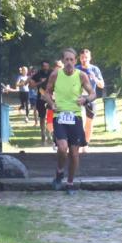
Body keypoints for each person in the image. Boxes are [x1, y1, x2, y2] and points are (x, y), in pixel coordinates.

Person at [44, 48, 96, 193]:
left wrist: (85, 99)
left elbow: (93, 94)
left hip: (75, 116)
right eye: (66, 59)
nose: (68, 62)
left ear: (75, 61)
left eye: (71, 59)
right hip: (59, 115)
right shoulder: (55, 74)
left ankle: (70, 183)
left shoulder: (81, 76)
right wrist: (51, 103)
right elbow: (47, 93)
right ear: (63, 61)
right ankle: (60, 171)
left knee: (74, 153)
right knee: (62, 148)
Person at [77, 48, 105, 149]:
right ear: (79, 58)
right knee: (80, 122)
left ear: (90, 58)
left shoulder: (95, 69)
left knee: (89, 123)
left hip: (91, 99)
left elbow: (102, 85)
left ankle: (86, 144)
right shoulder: (76, 69)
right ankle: (79, 144)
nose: (84, 59)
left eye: (86, 57)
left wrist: (95, 78)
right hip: (79, 99)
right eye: (82, 57)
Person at [29, 60, 53, 144]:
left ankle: (49, 133)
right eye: (44, 66)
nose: (46, 68)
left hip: (51, 98)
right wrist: (40, 82)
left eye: (47, 66)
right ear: (41, 67)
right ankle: (43, 134)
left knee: (50, 117)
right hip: (41, 98)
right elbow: (31, 86)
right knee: (42, 117)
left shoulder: (52, 73)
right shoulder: (37, 74)